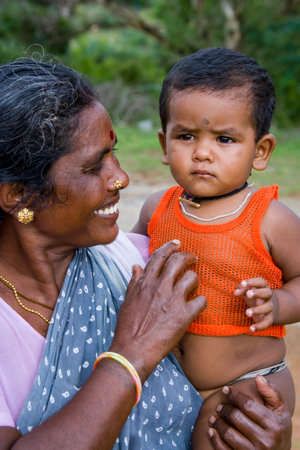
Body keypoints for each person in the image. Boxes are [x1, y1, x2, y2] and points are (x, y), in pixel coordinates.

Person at [0, 56, 292, 450]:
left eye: (113, 152)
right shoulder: (154, 230)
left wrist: (268, 438)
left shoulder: (137, 262)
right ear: (18, 195)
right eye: (93, 167)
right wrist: (131, 354)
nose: (121, 177)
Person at [132, 47, 300, 448]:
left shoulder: (270, 218)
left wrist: (277, 304)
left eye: (225, 139)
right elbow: (127, 262)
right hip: (171, 380)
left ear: (260, 152)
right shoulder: (156, 208)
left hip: (246, 385)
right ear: (164, 141)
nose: (202, 153)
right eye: (186, 136)